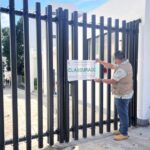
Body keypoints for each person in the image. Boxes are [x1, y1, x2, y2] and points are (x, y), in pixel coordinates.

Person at [95, 50, 133, 141]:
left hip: (122, 95)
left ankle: (124, 133)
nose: (114, 61)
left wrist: (100, 80)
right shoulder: (126, 64)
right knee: (122, 113)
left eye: (115, 59)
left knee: (123, 114)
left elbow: (113, 81)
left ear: (118, 59)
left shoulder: (122, 69)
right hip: (126, 92)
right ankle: (121, 129)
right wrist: (100, 61)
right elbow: (112, 66)